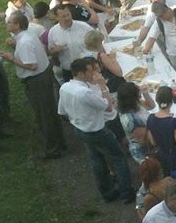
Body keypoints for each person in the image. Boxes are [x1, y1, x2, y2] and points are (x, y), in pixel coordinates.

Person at [57, 58, 133, 203]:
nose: (93, 73)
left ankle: (108, 192)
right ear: (81, 73)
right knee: (118, 157)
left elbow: (62, 111)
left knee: (96, 160)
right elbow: (108, 106)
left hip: (80, 128)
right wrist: (102, 86)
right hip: (96, 130)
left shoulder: (65, 87)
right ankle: (126, 193)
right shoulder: (84, 92)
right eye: (89, 71)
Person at [2, 12, 65, 158]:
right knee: (49, 111)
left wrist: (11, 58)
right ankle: (59, 143)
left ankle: (52, 149)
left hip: (36, 81)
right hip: (44, 77)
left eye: (10, 22)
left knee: (43, 115)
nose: (7, 24)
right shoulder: (28, 36)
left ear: (17, 25)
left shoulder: (24, 42)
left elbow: (32, 66)